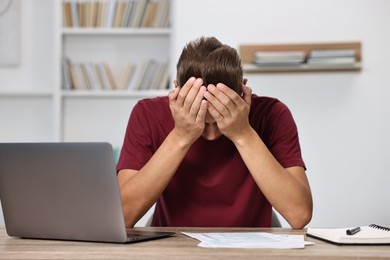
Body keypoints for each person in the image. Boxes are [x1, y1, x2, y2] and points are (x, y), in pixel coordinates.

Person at [116, 36, 312, 228]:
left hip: (251, 248)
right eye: (200, 121)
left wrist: (242, 133)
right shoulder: (148, 114)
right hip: (173, 247)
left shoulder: (273, 115)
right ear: (176, 91)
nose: (211, 136)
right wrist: (182, 135)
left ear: (243, 93)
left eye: (220, 121)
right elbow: (123, 216)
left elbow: (299, 215)